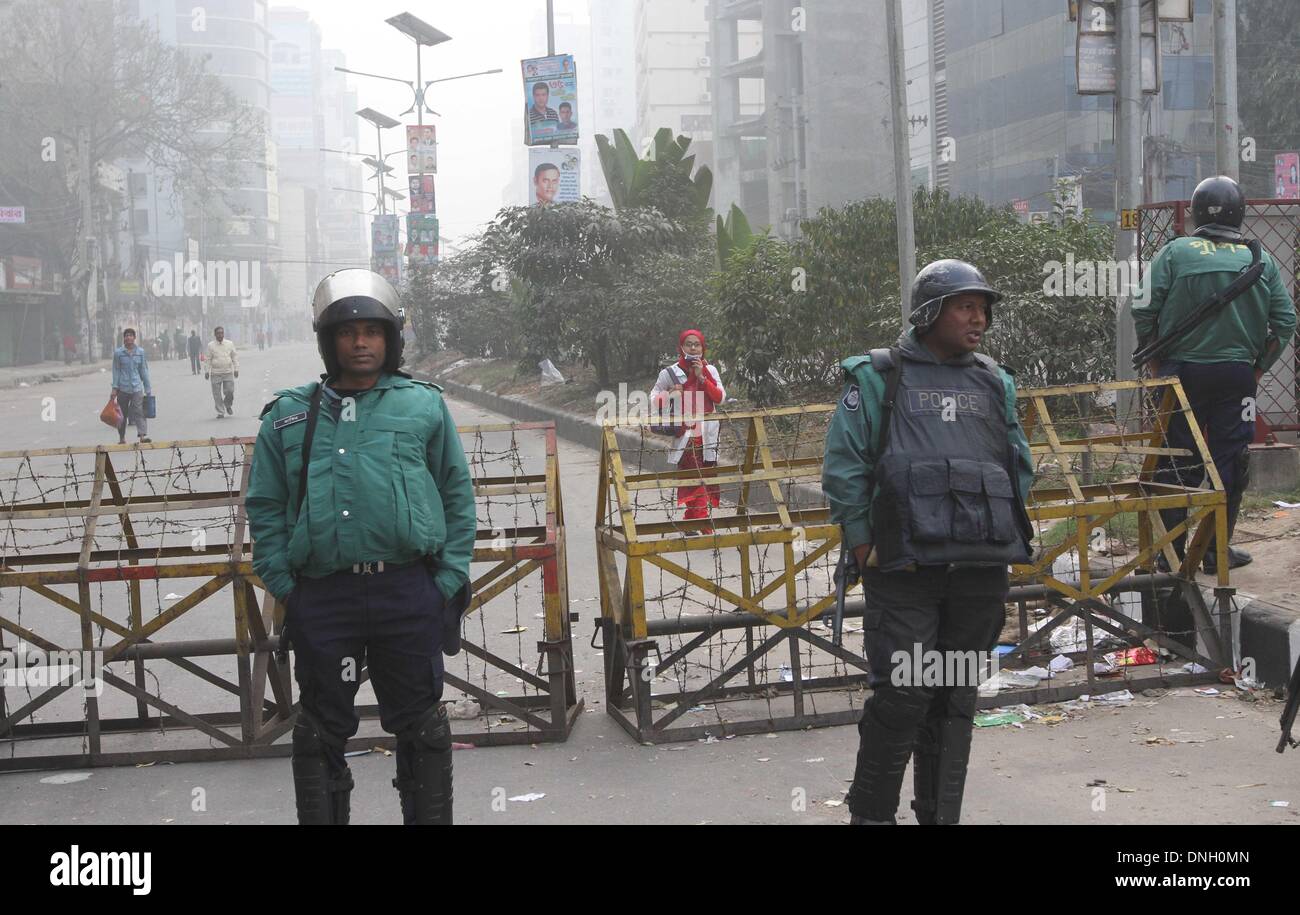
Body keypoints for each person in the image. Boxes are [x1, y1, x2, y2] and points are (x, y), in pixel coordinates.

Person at [246, 268, 476, 825]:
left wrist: (443, 582)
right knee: (321, 728)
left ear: (390, 339)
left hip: (406, 590)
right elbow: (266, 508)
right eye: (348, 333)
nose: (360, 342)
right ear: (329, 341)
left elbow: (456, 495)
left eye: (372, 331)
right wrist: (287, 588)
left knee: (421, 725)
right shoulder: (288, 416)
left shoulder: (422, 406)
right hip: (324, 598)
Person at [822, 259, 1035, 825]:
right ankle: (871, 816)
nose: (979, 319)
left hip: (979, 567)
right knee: (906, 692)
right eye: (966, 306)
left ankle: (939, 815)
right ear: (929, 313)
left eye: (983, 308)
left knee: (955, 692)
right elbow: (845, 470)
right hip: (904, 568)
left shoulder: (995, 379)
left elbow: (1017, 464)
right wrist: (864, 545)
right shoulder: (875, 377)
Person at [1133, 175, 1296, 574]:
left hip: (1179, 374)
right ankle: (1215, 551)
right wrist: (1257, 368)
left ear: (1195, 212)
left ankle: (1169, 554)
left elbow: (1142, 308)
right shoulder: (1261, 259)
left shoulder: (1173, 253)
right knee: (1231, 460)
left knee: (1176, 459)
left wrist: (1156, 363)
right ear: (1240, 212)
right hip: (1236, 376)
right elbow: (1286, 322)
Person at [651, 330, 726, 534]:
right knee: (694, 476)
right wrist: (669, 394)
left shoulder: (710, 370)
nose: (693, 348)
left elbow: (719, 398)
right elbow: (653, 398)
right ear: (681, 347)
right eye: (689, 344)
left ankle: (690, 521)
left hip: (708, 434)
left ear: (703, 347)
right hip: (685, 434)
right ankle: (701, 522)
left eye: (697, 345)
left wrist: (702, 377)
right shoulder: (670, 373)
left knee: (705, 475)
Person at [111, 328, 153, 445]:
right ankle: (122, 438)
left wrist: (147, 388)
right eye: (126, 335)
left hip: (136, 387)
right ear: (124, 338)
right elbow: (116, 371)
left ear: (134, 338)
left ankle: (142, 436)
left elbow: (143, 370)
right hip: (122, 388)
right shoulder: (118, 353)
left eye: (131, 335)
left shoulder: (140, 352)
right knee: (121, 414)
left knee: (139, 411)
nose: (128, 337)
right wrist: (114, 388)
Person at [205, 326, 239, 419]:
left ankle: (228, 404)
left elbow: (234, 357)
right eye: (218, 333)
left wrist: (236, 369)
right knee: (217, 394)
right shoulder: (210, 345)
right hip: (215, 373)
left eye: (221, 333)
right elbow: (207, 359)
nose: (220, 335)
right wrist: (206, 371)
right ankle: (220, 412)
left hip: (228, 372)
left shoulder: (229, 344)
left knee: (230, 391)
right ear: (215, 334)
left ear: (223, 334)